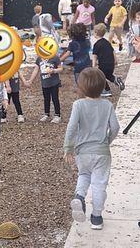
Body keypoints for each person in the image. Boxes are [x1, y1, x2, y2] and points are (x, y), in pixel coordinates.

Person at [64, 67, 120, 230]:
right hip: (102, 153)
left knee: (84, 174)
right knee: (99, 184)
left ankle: (80, 197)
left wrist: (68, 148)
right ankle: (96, 217)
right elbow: (115, 127)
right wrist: (106, 142)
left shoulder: (78, 105)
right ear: (103, 86)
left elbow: (72, 127)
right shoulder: (107, 105)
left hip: (83, 153)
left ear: (81, 86)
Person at [24, 53, 63, 123]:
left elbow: (60, 68)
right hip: (45, 83)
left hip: (54, 82)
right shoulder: (39, 58)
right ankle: (46, 114)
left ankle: (57, 115)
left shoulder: (55, 57)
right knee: (46, 98)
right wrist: (30, 80)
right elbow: (36, 70)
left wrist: (54, 70)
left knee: (55, 98)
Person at [92, 23, 125, 97]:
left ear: (96, 33)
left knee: (100, 76)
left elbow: (94, 56)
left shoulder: (96, 44)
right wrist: (115, 60)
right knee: (108, 75)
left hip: (103, 64)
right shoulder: (107, 42)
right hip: (111, 64)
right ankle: (116, 80)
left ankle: (107, 90)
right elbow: (113, 51)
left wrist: (94, 65)